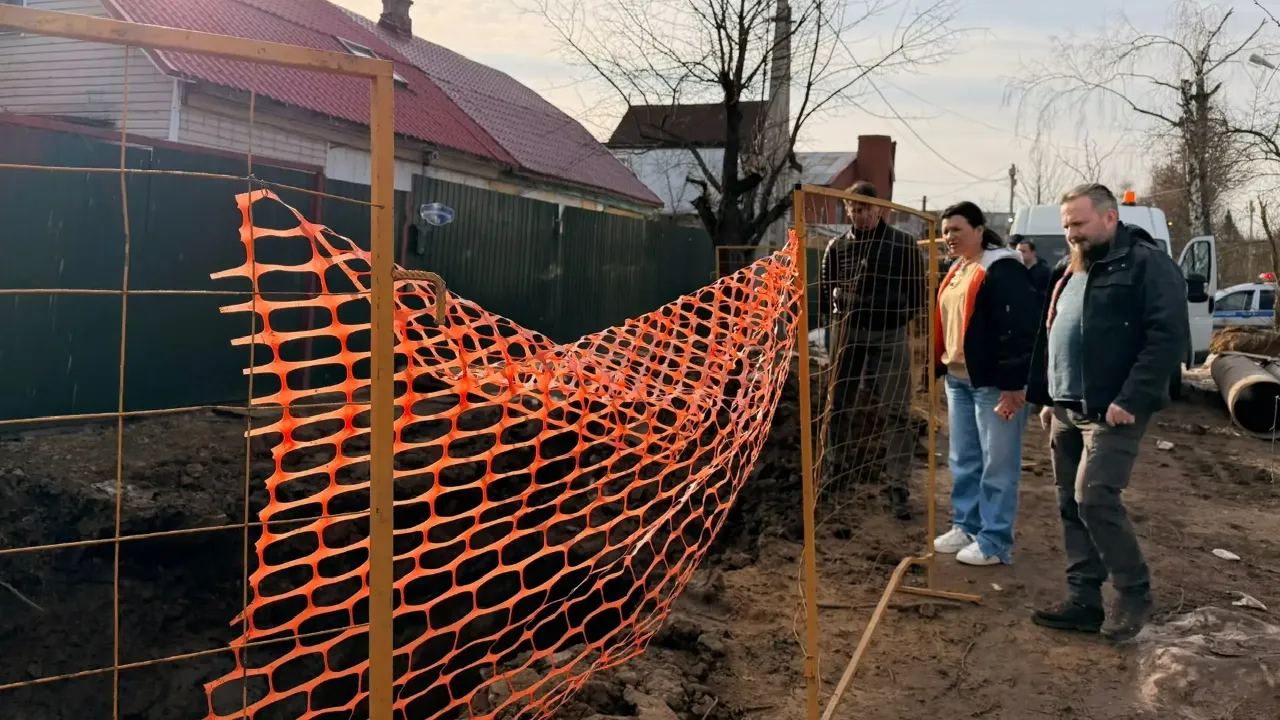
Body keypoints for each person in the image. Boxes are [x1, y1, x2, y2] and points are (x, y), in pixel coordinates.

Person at [1027, 183, 1189, 642]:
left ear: (1110, 218)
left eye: (1078, 224)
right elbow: (1052, 333)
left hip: (1113, 410)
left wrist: (1130, 399)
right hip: (1066, 408)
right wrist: (1047, 397)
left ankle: (1134, 593)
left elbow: (1166, 338)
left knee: (1094, 497)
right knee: (1069, 504)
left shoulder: (1147, 265)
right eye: (1066, 227)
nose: (1071, 234)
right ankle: (1083, 600)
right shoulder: (1068, 268)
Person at [932, 202, 1039, 566]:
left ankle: (994, 540)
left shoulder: (1002, 268)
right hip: (959, 380)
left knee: (998, 464)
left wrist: (1013, 384)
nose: (950, 237)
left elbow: (1020, 330)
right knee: (963, 459)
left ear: (979, 230)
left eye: (957, 230)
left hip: (992, 384)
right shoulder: (960, 268)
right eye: (946, 231)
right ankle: (967, 524)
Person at [819, 180, 927, 520]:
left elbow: (917, 295)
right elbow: (825, 293)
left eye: (865, 208)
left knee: (897, 409)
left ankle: (897, 484)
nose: (859, 214)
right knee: (837, 403)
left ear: (879, 209)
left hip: (890, 333)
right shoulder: (837, 247)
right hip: (848, 331)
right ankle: (833, 468)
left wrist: (890, 314)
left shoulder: (903, 245)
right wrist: (843, 316)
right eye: (852, 208)